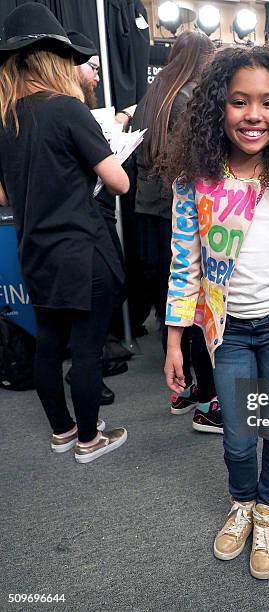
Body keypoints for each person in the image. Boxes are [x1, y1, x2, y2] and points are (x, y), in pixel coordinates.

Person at [162, 44, 269, 579]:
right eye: (239, 102)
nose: (253, 115)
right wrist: (173, 340)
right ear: (219, 107)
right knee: (238, 434)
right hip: (229, 332)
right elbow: (183, 263)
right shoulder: (197, 181)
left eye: (267, 102)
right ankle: (243, 502)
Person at [0, 3, 128, 463]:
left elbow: (2, 195)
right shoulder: (67, 109)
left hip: (35, 250)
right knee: (88, 350)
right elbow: (119, 182)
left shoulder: (5, 117)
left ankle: (63, 431)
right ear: (54, 57)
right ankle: (90, 440)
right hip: (81, 247)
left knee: (49, 344)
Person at [131, 31, 220, 433]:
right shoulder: (188, 99)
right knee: (196, 304)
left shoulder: (152, 96)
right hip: (179, 211)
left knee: (176, 300)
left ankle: (184, 389)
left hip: (147, 209)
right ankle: (206, 399)